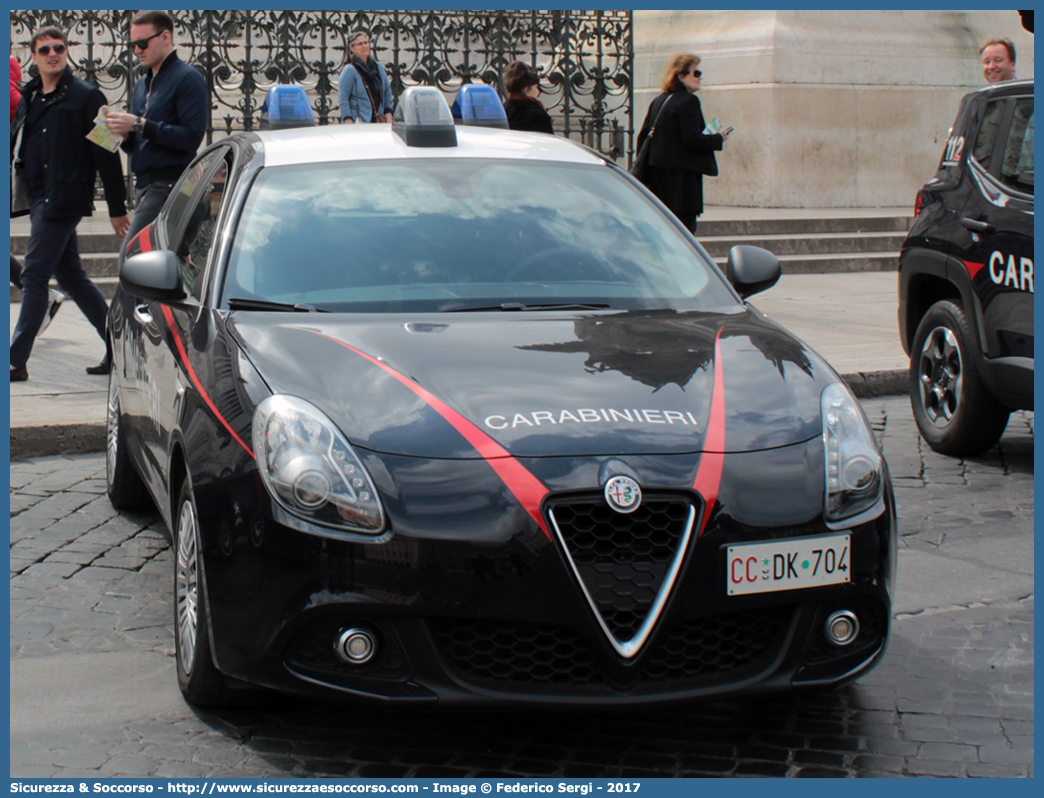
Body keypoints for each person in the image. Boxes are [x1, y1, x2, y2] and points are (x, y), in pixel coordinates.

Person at [9, 26, 129, 382]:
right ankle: (120, 348)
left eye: (58, 48)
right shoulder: (31, 95)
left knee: (33, 274)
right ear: (33, 56)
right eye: (44, 49)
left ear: (67, 52)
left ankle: (15, 361)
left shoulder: (88, 96)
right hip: (39, 195)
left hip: (64, 198)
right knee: (71, 276)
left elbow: (107, 151)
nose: (52, 54)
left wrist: (117, 206)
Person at [106, 10, 208, 260]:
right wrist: (125, 135)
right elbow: (142, 142)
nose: (137, 50)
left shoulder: (187, 78)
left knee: (132, 258)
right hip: (145, 185)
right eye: (133, 45)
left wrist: (139, 125)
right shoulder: (142, 83)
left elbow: (191, 137)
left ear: (165, 37)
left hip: (171, 184)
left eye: (143, 43)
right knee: (158, 262)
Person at [635, 54, 729, 234]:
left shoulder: (660, 101)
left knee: (663, 228)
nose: (700, 77)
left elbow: (644, 136)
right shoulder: (689, 101)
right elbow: (692, 139)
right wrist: (718, 138)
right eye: (696, 72)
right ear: (680, 75)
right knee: (684, 231)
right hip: (681, 182)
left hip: (657, 176)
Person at [338, 31, 393, 124]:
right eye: (360, 44)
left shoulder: (378, 67)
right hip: (357, 123)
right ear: (352, 48)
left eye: (366, 42)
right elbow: (343, 97)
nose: (364, 46)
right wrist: (347, 119)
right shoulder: (349, 70)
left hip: (377, 121)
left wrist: (388, 112)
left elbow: (387, 91)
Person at [503, 61, 553, 134]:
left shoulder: (502, 112)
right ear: (527, 90)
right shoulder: (539, 115)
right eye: (536, 87)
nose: (538, 91)